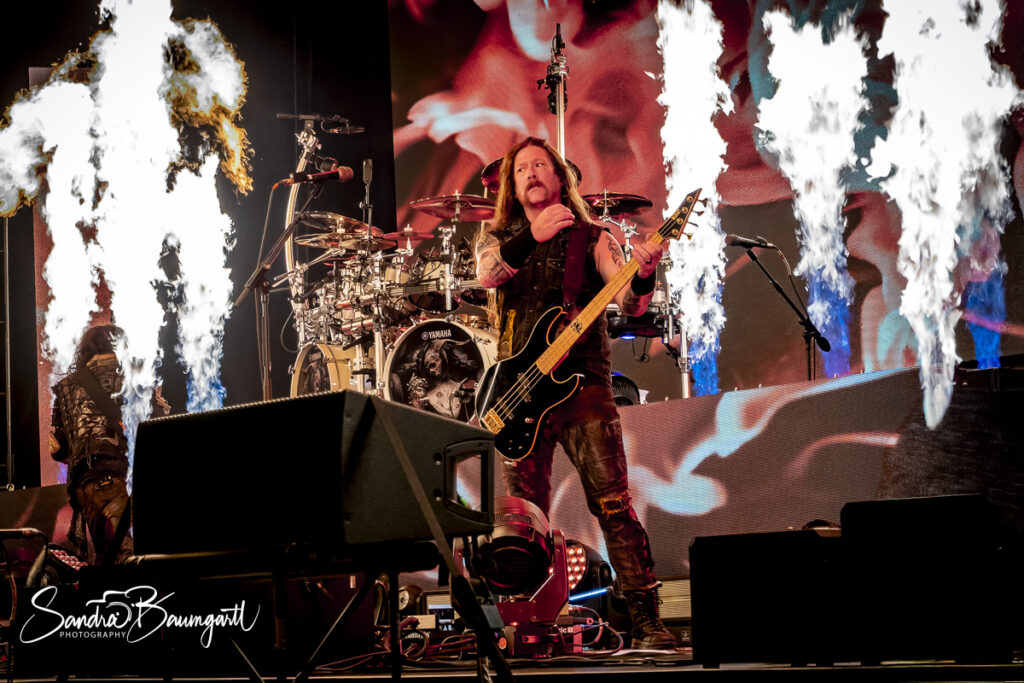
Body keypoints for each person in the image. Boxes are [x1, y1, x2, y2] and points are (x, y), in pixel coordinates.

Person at [475, 137, 675, 649]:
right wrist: (532, 235)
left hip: (583, 388)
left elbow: (629, 303)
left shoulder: (594, 237)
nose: (531, 172)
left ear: (560, 179)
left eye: (541, 165)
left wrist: (644, 274)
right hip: (519, 398)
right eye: (521, 168)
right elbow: (486, 275)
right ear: (512, 186)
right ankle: (526, 626)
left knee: (612, 505)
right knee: (522, 520)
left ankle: (647, 622)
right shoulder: (497, 237)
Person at [50, 324, 170, 565]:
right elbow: (157, 428)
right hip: (119, 480)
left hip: (85, 487)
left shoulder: (66, 387)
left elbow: (58, 449)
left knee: (106, 559)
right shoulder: (135, 378)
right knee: (132, 555)